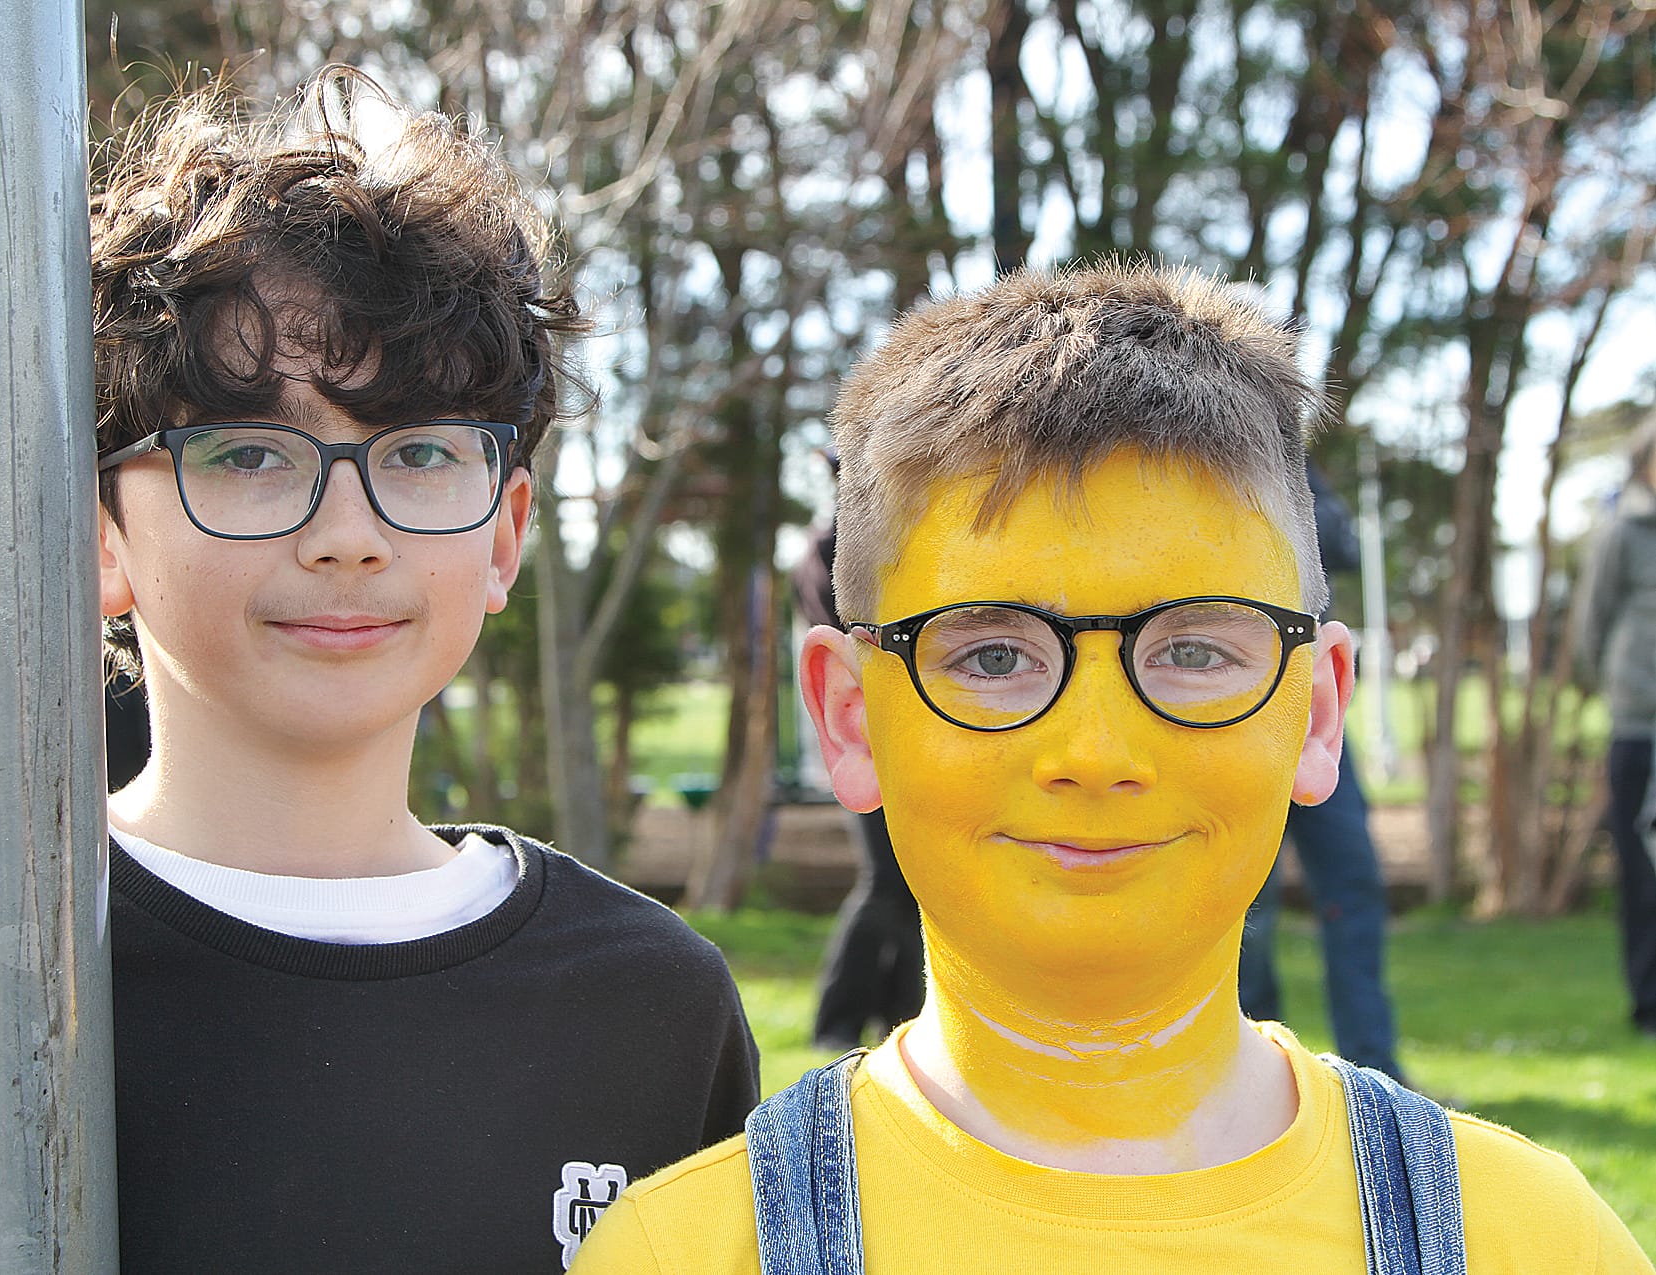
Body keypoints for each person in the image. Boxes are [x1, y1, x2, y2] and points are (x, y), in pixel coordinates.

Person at [570, 263, 1649, 1272]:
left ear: (1317, 711)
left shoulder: (1534, 1240)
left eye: (1191, 651)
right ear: (849, 717)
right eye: (990, 655)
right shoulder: (687, 1252)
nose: (1093, 753)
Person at [87, 68, 759, 1272]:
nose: (348, 531)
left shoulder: (649, 1006)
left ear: (502, 537)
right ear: (97, 536)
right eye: (247, 455)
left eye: (419, 456)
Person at [1239, 463, 1406, 1080]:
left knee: (1354, 883)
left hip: (1313, 715)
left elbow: (1343, 548)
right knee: (1243, 902)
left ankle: (1377, 1067)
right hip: (1231, 720)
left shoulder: (1298, 468)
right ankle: (1247, 1061)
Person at [791, 453, 925, 1051]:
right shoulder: (831, 549)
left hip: (909, 736)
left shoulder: (861, 540)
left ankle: (896, 1016)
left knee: (914, 886)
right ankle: (836, 1022)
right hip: (870, 740)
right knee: (885, 885)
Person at [1573, 415, 1656, 1038]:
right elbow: (1593, 618)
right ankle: (1648, 1000)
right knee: (1642, 866)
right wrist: (1597, 681)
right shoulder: (1623, 530)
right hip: (1639, 724)